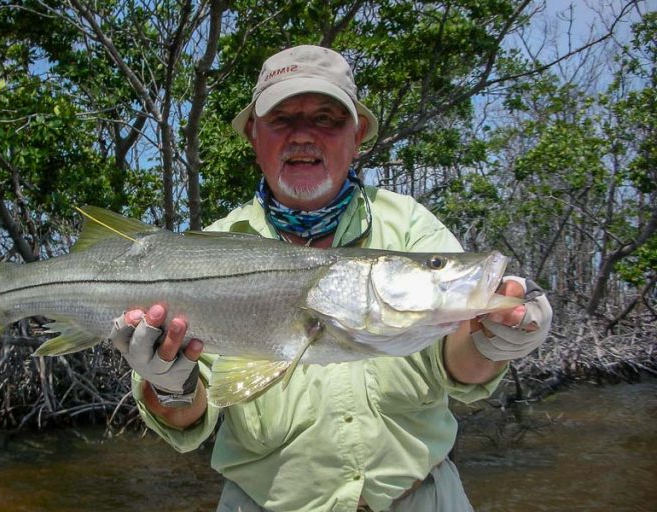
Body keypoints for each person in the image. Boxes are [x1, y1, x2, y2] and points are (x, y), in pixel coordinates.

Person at [108, 45, 552, 512]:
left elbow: (459, 363)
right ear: (254, 137)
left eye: (326, 118)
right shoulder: (210, 245)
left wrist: (493, 343)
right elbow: (187, 420)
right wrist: (170, 386)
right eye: (282, 119)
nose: (304, 135)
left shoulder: (411, 227)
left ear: (356, 135)